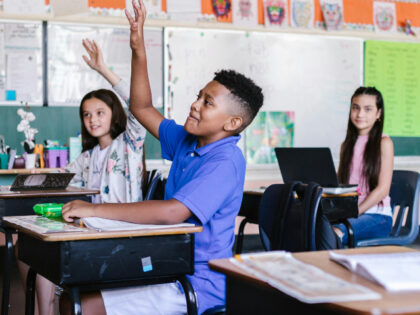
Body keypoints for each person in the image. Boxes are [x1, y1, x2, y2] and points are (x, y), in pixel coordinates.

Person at [60, 1, 264, 314]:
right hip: (165, 261)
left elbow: (172, 212)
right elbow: (142, 109)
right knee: (75, 288)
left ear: (232, 123)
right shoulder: (187, 138)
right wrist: (138, 48)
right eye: (198, 96)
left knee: (84, 305)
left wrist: (95, 208)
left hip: (195, 281)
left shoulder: (225, 162)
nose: (195, 105)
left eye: (207, 102)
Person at [16, 39, 147, 315]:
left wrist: (103, 69)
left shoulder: (128, 145)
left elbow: (138, 107)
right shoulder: (88, 156)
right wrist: (24, 183)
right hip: (91, 226)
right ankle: (44, 310)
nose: (93, 119)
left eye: (100, 113)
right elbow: (59, 176)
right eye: (87, 115)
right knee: (27, 243)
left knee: (45, 249)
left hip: (119, 230)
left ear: (114, 115)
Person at [333, 87, 394, 246]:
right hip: (351, 215)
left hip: (378, 217)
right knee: (309, 227)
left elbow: (383, 190)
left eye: (368, 109)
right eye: (356, 108)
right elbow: (341, 185)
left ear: (378, 113)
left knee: (335, 233)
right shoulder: (345, 145)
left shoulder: (384, 143)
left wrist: (355, 213)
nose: (360, 114)